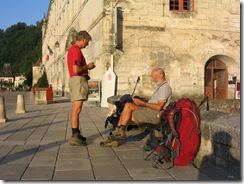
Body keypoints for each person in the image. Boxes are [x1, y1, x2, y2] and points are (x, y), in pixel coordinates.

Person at [103, 68, 172, 146]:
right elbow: (156, 102)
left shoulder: (165, 88)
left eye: (154, 77)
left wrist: (143, 103)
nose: (153, 80)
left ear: (161, 75)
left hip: (154, 114)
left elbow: (159, 107)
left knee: (127, 114)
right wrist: (144, 101)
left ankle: (118, 134)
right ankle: (119, 132)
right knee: (128, 105)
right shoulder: (161, 87)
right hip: (149, 110)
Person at [67, 30, 96, 146]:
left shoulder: (73, 50)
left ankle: (76, 133)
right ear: (83, 39)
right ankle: (74, 135)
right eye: (87, 42)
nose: (87, 44)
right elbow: (76, 70)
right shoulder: (76, 50)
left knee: (77, 109)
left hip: (76, 80)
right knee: (77, 109)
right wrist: (88, 66)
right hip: (78, 80)